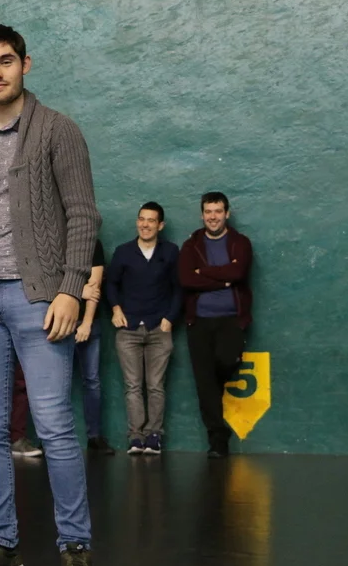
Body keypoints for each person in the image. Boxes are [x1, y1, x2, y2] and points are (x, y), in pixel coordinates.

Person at [0, 24, 101, 566]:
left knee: (55, 426)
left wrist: (70, 288)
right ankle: (2, 545)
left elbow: (83, 214)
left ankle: (75, 547)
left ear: (25, 64)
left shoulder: (58, 129)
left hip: (37, 297)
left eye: (6, 60)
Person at [178, 192, 253, 458]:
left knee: (227, 361)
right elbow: (186, 279)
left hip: (232, 319)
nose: (213, 217)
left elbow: (238, 272)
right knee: (204, 382)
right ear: (202, 215)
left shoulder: (240, 243)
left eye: (218, 211)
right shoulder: (191, 245)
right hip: (198, 321)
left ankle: (214, 392)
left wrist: (205, 272)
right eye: (208, 212)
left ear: (227, 214)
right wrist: (223, 279)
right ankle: (218, 439)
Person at [106, 202, 182, 455]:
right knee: (132, 386)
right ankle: (135, 437)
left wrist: (170, 318)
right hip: (128, 330)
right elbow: (110, 284)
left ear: (160, 225)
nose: (145, 224)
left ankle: (154, 436)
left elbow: (179, 288)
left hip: (159, 329)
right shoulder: (123, 252)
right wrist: (116, 309)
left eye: (151, 220)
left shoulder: (170, 252)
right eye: (141, 219)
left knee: (155, 386)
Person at [76, 239, 113, 454]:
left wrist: (87, 323)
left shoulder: (92, 243)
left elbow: (95, 286)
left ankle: (95, 437)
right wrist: (78, 289)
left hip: (89, 322)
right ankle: (49, 439)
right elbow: (49, 283)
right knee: (54, 384)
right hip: (58, 321)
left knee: (92, 381)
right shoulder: (52, 240)